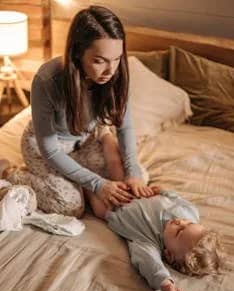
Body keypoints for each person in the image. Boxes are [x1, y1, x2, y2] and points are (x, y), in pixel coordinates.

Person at [5, 5, 153, 217]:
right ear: (77, 53)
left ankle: (83, 180)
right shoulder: (47, 80)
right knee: (70, 206)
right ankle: (12, 173)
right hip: (45, 148)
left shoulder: (117, 74)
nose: (111, 71)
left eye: (117, 59)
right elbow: (50, 151)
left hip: (84, 142)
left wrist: (133, 173)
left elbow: (125, 126)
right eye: (99, 61)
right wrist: (97, 183)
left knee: (137, 181)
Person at [86, 176, 225, 291]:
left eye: (178, 231)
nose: (180, 221)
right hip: (135, 189)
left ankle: (83, 185)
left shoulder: (149, 243)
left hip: (113, 205)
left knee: (98, 206)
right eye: (188, 223)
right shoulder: (190, 213)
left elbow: (152, 266)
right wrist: (163, 191)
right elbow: (180, 201)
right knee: (120, 168)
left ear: (169, 254)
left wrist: (168, 287)